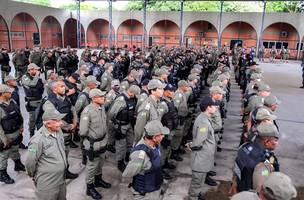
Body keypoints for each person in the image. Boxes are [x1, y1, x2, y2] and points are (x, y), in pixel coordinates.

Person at [25, 109, 67, 200]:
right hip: (48, 183)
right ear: (48, 124)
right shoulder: (38, 140)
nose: (61, 123)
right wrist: (34, 175)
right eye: (57, 121)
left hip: (61, 179)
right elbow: (30, 162)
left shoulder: (58, 131)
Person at [122, 120, 169, 200]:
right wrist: (140, 166)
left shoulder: (154, 144)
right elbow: (127, 174)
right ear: (154, 138)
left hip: (154, 187)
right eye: (161, 134)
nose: (163, 136)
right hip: (145, 194)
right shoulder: (140, 155)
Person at [230, 123, 280, 194]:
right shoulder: (262, 163)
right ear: (267, 142)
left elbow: (236, 168)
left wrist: (234, 183)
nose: (277, 143)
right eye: (275, 140)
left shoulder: (244, 147)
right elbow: (262, 189)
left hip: (240, 189)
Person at [79, 89, 111, 199]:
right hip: (93, 144)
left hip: (102, 141)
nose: (103, 98)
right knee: (91, 166)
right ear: (93, 99)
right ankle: (89, 187)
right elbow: (82, 131)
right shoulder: (87, 111)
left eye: (103, 96)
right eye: (100, 96)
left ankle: (98, 180)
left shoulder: (101, 108)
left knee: (100, 163)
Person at [43, 80, 78, 179]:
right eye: (62, 86)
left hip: (67, 133)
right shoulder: (49, 102)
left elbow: (73, 109)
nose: (65, 88)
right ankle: (56, 175)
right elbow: (55, 119)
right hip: (57, 133)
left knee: (65, 152)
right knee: (56, 155)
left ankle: (65, 171)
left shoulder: (65, 98)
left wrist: (75, 122)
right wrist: (69, 126)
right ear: (54, 89)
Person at [187, 96, 218, 200]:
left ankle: (196, 195)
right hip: (200, 159)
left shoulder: (205, 118)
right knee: (197, 181)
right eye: (213, 106)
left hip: (203, 158)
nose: (216, 108)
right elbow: (199, 142)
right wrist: (191, 145)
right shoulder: (203, 121)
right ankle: (193, 197)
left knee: (199, 181)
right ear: (208, 107)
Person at [108, 85, 140, 172]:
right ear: (131, 92)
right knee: (121, 145)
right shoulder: (121, 100)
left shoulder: (132, 98)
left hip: (128, 124)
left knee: (131, 140)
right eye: (135, 94)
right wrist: (116, 124)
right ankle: (120, 162)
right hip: (120, 125)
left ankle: (127, 155)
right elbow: (112, 114)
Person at [0, 84, 24, 184]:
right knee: (4, 155)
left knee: (15, 149)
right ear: (2, 94)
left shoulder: (12, 101)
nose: (11, 93)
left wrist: (21, 126)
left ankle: (18, 164)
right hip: (5, 135)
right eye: (8, 92)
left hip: (16, 132)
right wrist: (3, 139)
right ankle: (2, 174)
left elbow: (19, 114)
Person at [134, 79, 165, 144]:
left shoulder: (157, 103)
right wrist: (138, 143)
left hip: (155, 139)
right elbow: (139, 129)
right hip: (146, 142)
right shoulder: (146, 107)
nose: (163, 91)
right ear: (152, 91)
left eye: (162, 88)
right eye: (160, 89)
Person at [22, 63, 44, 137]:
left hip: (39, 100)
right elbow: (32, 84)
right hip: (32, 102)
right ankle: (31, 134)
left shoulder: (38, 78)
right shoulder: (25, 77)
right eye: (35, 69)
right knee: (32, 119)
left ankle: (39, 134)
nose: (37, 71)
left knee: (40, 118)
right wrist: (37, 76)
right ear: (29, 70)